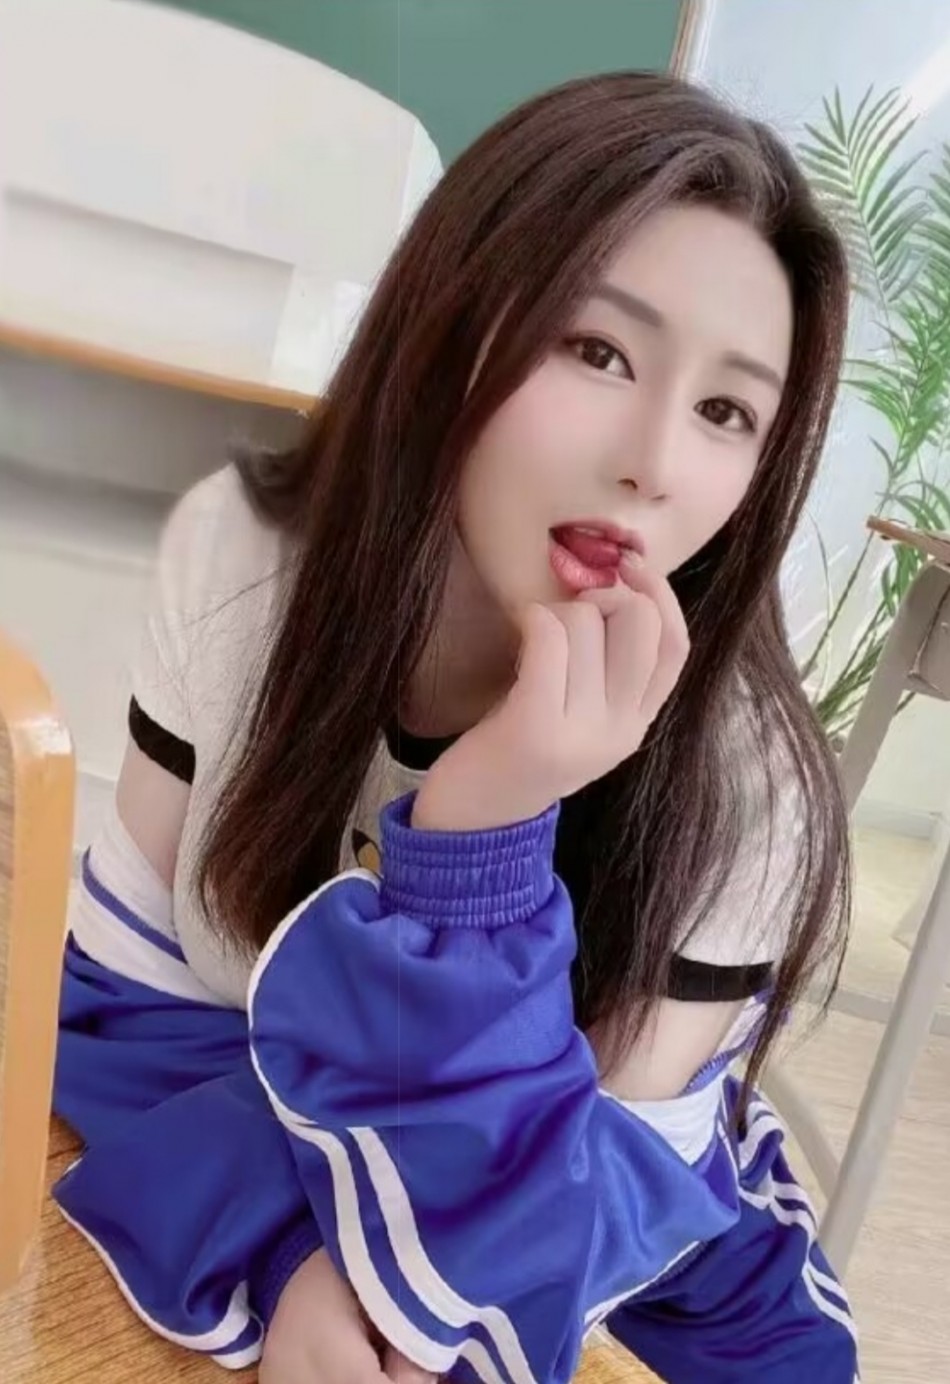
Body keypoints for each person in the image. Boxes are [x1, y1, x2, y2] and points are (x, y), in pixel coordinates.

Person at [52, 71, 858, 1384]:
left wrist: (483, 837)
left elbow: (559, 1239)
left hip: (655, 1287)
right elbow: (120, 1010)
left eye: (726, 412)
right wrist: (290, 1256)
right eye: (597, 351)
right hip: (271, 1186)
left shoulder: (744, 780)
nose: (653, 462)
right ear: (455, 323)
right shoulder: (244, 567)